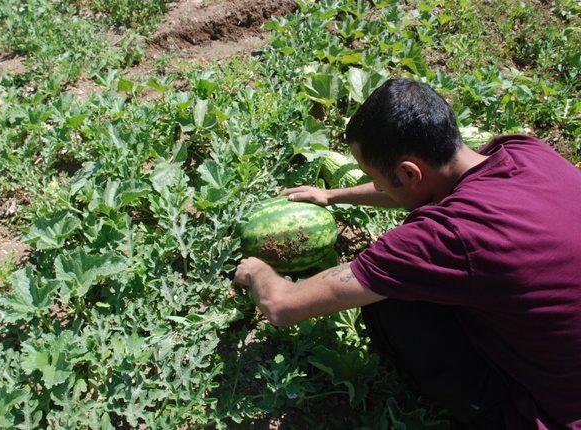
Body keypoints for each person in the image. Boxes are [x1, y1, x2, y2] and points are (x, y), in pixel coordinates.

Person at [234, 78, 581, 429]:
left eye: (376, 178)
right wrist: (334, 195)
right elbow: (426, 186)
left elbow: (281, 306)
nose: (379, 186)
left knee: (390, 301)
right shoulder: (525, 150)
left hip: (553, 414)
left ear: (407, 173)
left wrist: (258, 271)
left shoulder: (446, 237)